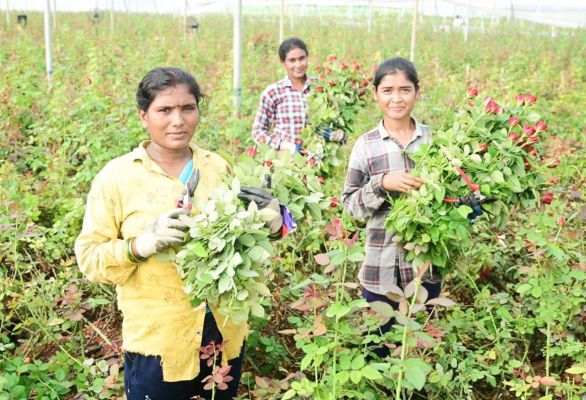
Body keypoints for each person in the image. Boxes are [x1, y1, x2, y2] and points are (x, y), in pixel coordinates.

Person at [75, 67, 281, 400]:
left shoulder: (218, 167)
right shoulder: (117, 178)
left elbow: (240, 243)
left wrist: (271, 223)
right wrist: (139, 245)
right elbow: (89, 258)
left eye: (187, 108)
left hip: (222, 332)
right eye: (164, 110)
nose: (178, 120)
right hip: (159, 341)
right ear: (144, 115)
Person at [341, 57, 441, 357]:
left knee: (417, 350)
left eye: (405, 90)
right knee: (379, 348)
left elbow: (451, 202)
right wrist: (382, 183)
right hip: (379, 268)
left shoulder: (435, 142)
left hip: (424, 267)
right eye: (388, 90)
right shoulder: (366, 145)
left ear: (417, 92)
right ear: (375, 94)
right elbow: (350, 206)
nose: (396, 98)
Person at [251, 37, 344, 153]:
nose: (298, 64)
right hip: (285, 163)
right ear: (283, 63)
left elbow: (333, 121)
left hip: (318, 160)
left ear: (307, 58)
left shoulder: (321, 88)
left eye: (302, 58)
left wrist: (336, 135)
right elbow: (258, 132)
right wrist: (284, 146)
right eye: (292, 60)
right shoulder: (274, 92)